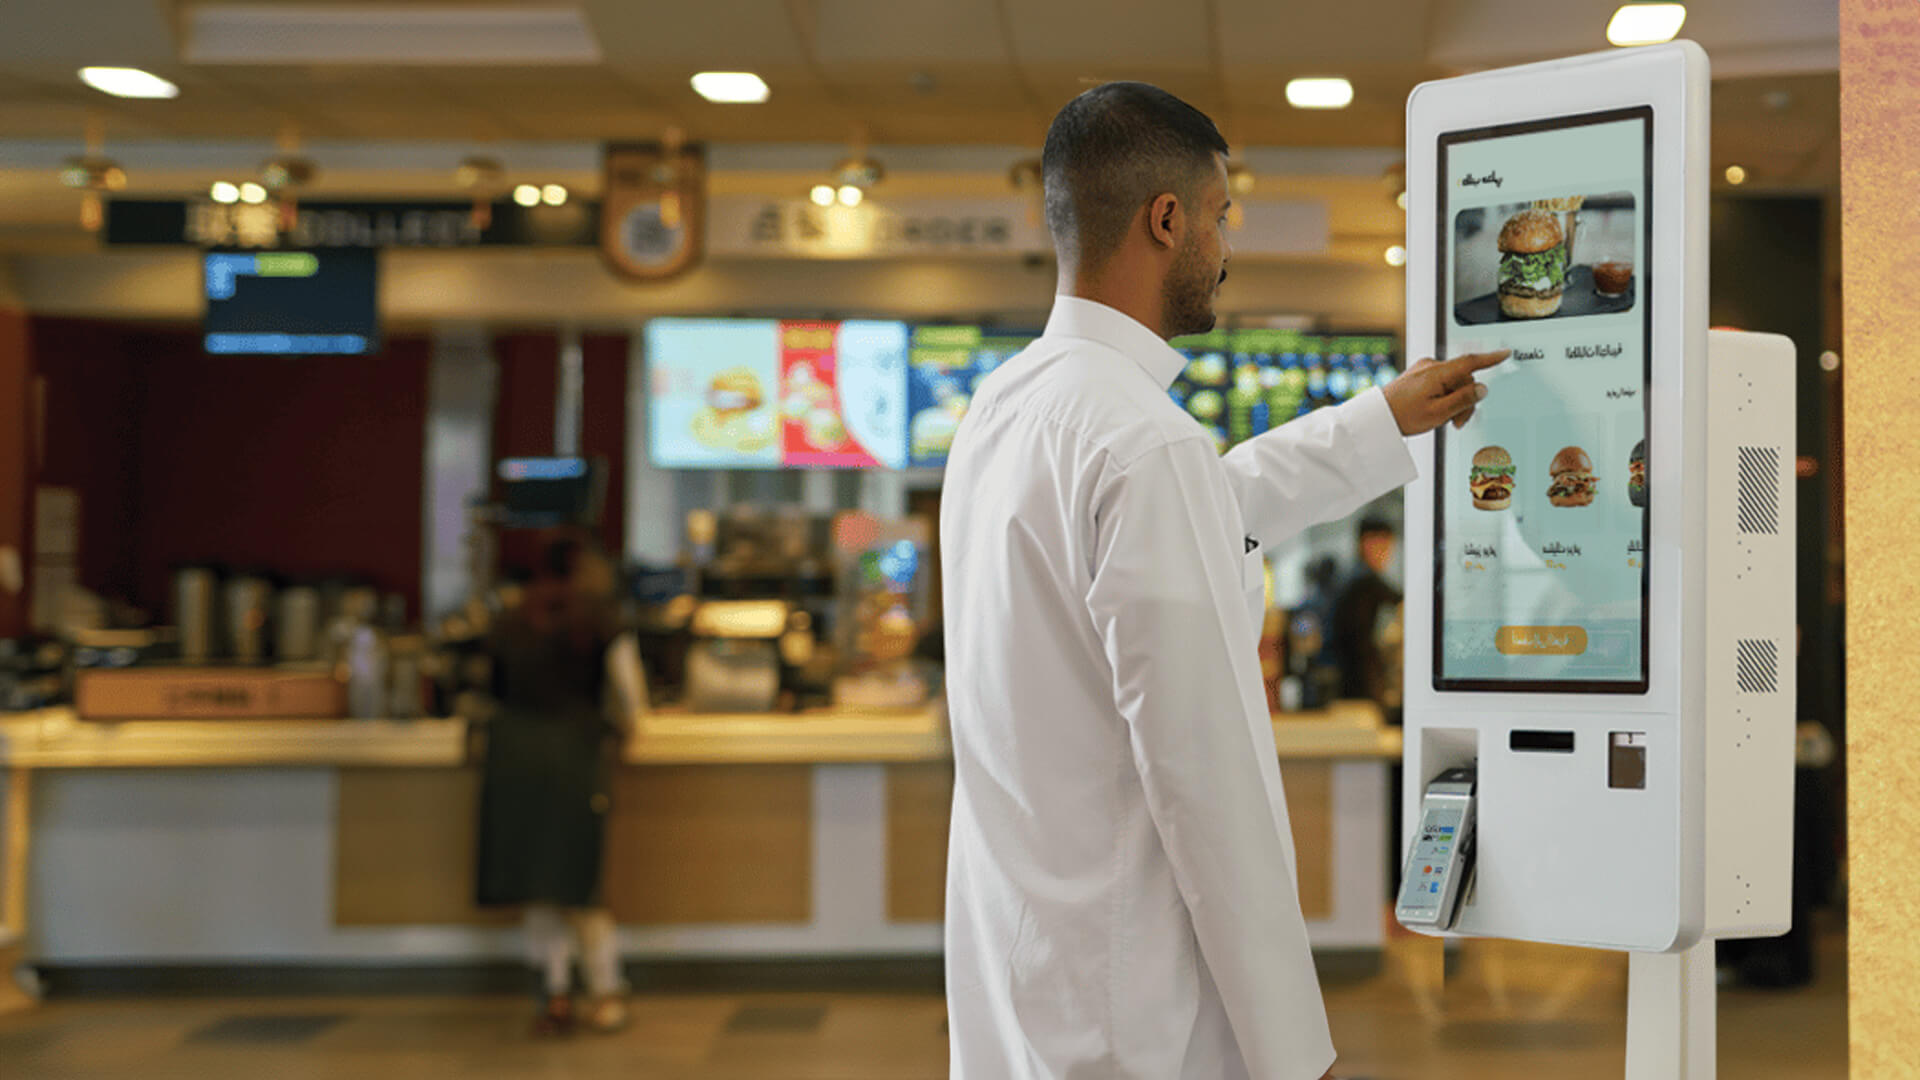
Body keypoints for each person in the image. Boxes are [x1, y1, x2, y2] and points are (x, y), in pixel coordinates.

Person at [939, 82, 1506, 1080]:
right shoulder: (1142, 441)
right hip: (1135, 1005)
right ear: (1167, 221)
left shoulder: (1007, 408)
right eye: (1220, 216)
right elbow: (1207, 781)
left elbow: (1206, 510)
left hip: (1024, 959)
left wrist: (1377, 421)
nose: (1224, 247)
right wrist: (1296, 1049)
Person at [475, 535, 648, 1036]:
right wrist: (631, 731)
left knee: (539, 887)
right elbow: (629, 693)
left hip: (515, 758)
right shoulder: (600, 618)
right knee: (581, 883)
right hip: (575, 755)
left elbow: (491, 691)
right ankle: (606, 991)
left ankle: (552, 995)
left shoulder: (509, 619)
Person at [1330, 516, 1404, 707]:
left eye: (1388, 546)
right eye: (1379, 544)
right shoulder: (1362, 584)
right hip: (1357, 688)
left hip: (1352, 684)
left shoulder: (1354, 580)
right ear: (1364, 544)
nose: (1385, 552)